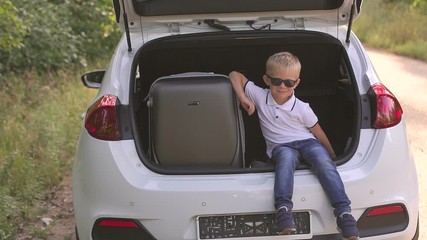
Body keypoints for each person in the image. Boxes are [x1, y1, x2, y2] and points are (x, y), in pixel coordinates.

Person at [228, 52, 359, 240]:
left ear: (296, 83)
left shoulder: (302, 108)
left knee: (323, 162)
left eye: (289, 83)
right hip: (281, 146)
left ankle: (344, 213)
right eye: (277, 81)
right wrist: (243, 97)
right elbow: (234, 75)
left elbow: (318, 132)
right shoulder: (259, 95)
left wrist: (333, 156)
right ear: (266, 79)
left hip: (307, 142)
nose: (282, 87)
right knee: (285, 162)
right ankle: (283, 210)